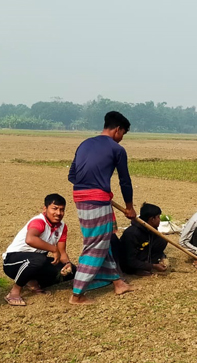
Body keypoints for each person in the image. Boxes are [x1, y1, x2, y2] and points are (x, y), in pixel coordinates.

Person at [67, 111, 136, 305]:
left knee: (102, 240)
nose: (122, 139)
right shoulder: (117, 149)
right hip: (97, 201)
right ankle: (77, 294)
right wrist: (129, 208)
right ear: (117, 129)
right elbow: (125, 181)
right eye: (123, 134)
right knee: (95, 245)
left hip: (80, 197)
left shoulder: (84, 144)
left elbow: (72, 176)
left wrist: (91, 185)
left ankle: (117, 282)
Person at [2, 194, 77, 306]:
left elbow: (62, 253)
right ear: (45, 209)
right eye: (55, 209)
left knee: (71, 271)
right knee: (38, 260)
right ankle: (14, 292)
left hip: (36, 261)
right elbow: (30, 239)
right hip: (13, 262)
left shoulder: (62, 227)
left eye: (62, 210)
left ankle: (32, 282)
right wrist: (53, 249)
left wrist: (67, 264)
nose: (58, 213)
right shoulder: (39, 221)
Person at [119, 203, 169, 276]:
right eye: (158, 217)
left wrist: (162, 258)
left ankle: (147, 265)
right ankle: (137, 270)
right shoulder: (132, 234)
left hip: (144, 255)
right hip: (128, 263)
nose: (160, 219)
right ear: (152, 219)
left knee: (162, 240)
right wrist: (152, 266)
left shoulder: (152, 229)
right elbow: (130, 260)